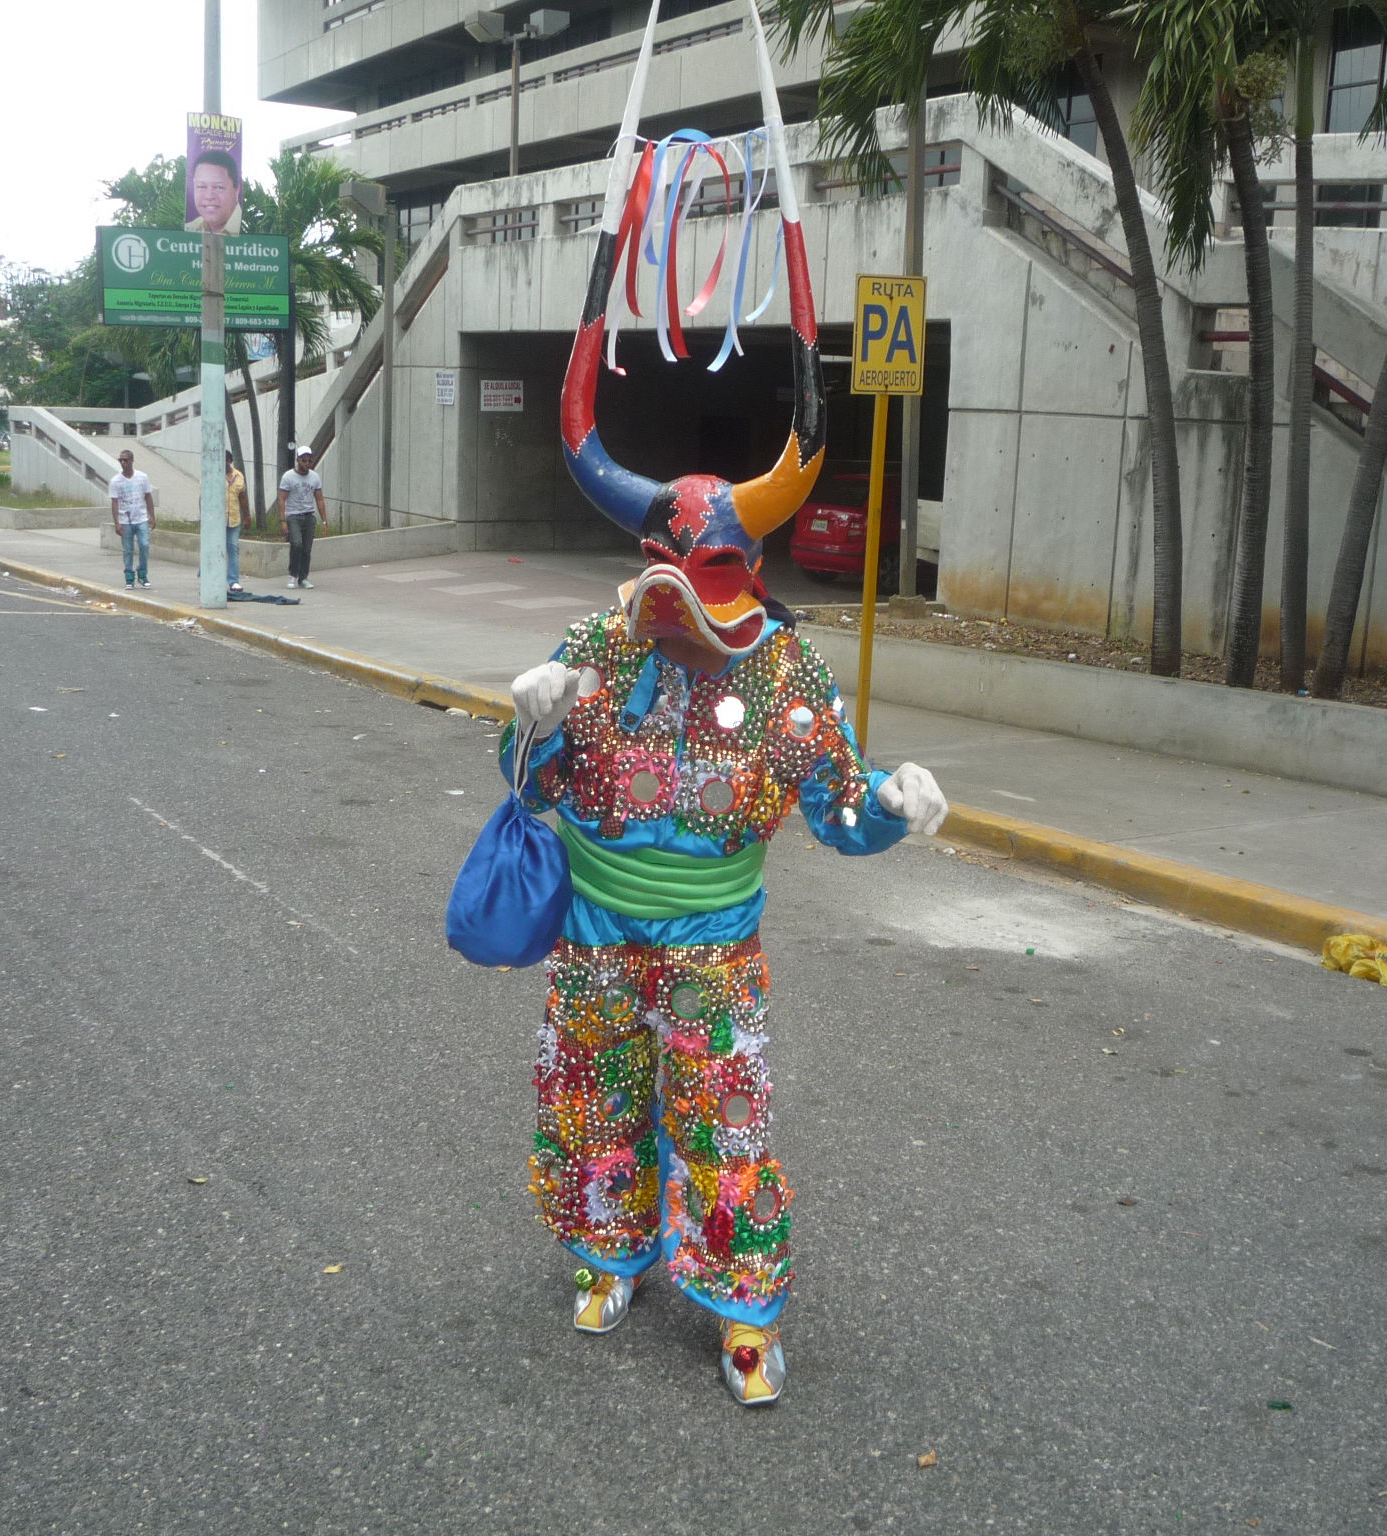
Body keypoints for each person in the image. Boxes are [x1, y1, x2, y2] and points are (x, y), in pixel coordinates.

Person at [488, 30, 948, 1410]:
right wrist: (532, 723)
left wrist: (891, 813)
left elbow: (836, 810)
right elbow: (521, 778)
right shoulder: (596, 641)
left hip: (711, 953)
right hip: (593, 943)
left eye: (718, 565)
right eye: (674, 566)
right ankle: (604, 1251)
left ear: (746, 567)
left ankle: (745, 1310)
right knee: (589, 1104)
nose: (691, 590)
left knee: (728, 1124)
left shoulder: (788, 677)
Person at [277, 447, 326, 589]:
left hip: (308, 515)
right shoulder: (288, 477)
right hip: (293, 516)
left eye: (309, 461)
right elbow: (281, 499)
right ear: (298, 460)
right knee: (296, 543)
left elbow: (320, 499)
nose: (307, 463)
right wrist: (283, 521)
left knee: (306, 548)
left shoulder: (314, 477)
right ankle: (293, 574)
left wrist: (324, 520)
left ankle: (303, 577)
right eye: (303, 460)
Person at [108, 448, 156, 589]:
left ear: (132, 461)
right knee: (128, 550)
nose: (123, 463)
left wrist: (152, 515)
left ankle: (142, 574)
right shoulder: (116, 481)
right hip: (125, 520)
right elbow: (114, 502)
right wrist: (117, 522)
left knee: (144, 545)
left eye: (125, 460)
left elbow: (148, 496)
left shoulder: (142, 477)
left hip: (141, 518)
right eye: (120, 460)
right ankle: (129, 577)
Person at [185, 149, 243, 235]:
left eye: (219, 187)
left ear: (236, 191)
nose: (209, 196)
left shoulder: (250, 226)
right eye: (201, 186)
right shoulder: (191, 228)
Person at [224, 450, 248, 593]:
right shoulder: (211, 474)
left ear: (230, 460)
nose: (224, 463)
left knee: (233, 548)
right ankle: (205, 573)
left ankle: (233, 581)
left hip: (233, 519)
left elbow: (243, 497)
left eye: (226, 460)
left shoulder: (238, 476)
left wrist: (247, 516)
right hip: (216, 520)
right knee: (215, 548)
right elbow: (203, 497)